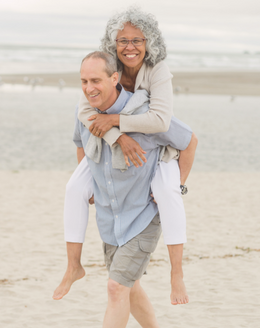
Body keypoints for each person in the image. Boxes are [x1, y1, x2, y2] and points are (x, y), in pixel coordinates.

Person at [53, 7, 198, 305]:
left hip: (157, 142)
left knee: (167, 192)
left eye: (137, 40)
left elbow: (159, 121)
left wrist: (118, 122)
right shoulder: (103, 69)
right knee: (73, 189)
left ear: (149, 42)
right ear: (113, 44)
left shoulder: (158, 70)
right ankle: (72, 266)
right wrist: (115, 135)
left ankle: (177, 273)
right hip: (106, 141)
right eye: (122, 41)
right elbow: (84, 113)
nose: (129, 47)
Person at [70, 51, 193, 327]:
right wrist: (89, 183)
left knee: (116, 288)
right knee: (129, 286)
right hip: (110, 217)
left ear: (115, 78)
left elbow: (189, 141)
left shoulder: (144, 113)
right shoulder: (86, 112)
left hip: (143, 215)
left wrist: (176, 185)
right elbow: (81, 142)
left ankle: (178, 274)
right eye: (83, 81)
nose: (89, 88)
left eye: (95, 80)